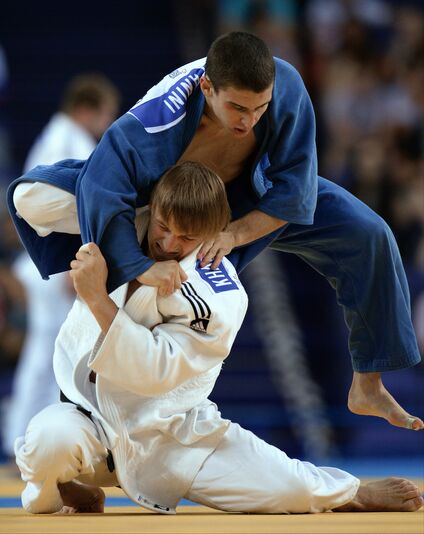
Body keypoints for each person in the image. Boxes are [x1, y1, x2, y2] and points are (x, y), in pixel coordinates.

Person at [7, 32, 423, 431]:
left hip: (246, 196)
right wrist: (139, 266)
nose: (249, 120)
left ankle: (368, 382)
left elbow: (296, 191)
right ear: (207, 87)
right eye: (238, 108)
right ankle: (133, 237)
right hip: (159, 202)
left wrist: (235, 234)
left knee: (369, 232)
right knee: (33, 197)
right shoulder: (151, 123)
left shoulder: (285, 87)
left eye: (259, 109)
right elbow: (102, 185)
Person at [14, 162, 423, 515]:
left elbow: (155, 371)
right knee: (47, 442)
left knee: (288, 489)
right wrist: (118, 175)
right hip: (88, 419)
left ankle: (352, 493)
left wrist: (97, 300)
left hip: (174, 437)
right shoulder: (118, 223)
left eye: (187, 238)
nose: (169, 244)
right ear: (152, 206)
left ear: (213, 235)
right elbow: (30, 198)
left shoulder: (220, 292)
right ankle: (70, 487)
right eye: (163, 226)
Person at [2, 74, 120, 458]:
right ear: (86, 110)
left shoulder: (55, 136)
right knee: (49, 356)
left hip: (50, 261)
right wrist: (74, 265)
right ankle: (23, 441)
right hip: (58, 264)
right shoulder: (70, 138)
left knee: (48, 354)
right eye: (105, 115)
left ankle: (24, 440)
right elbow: (75, 205)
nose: (106, 126)